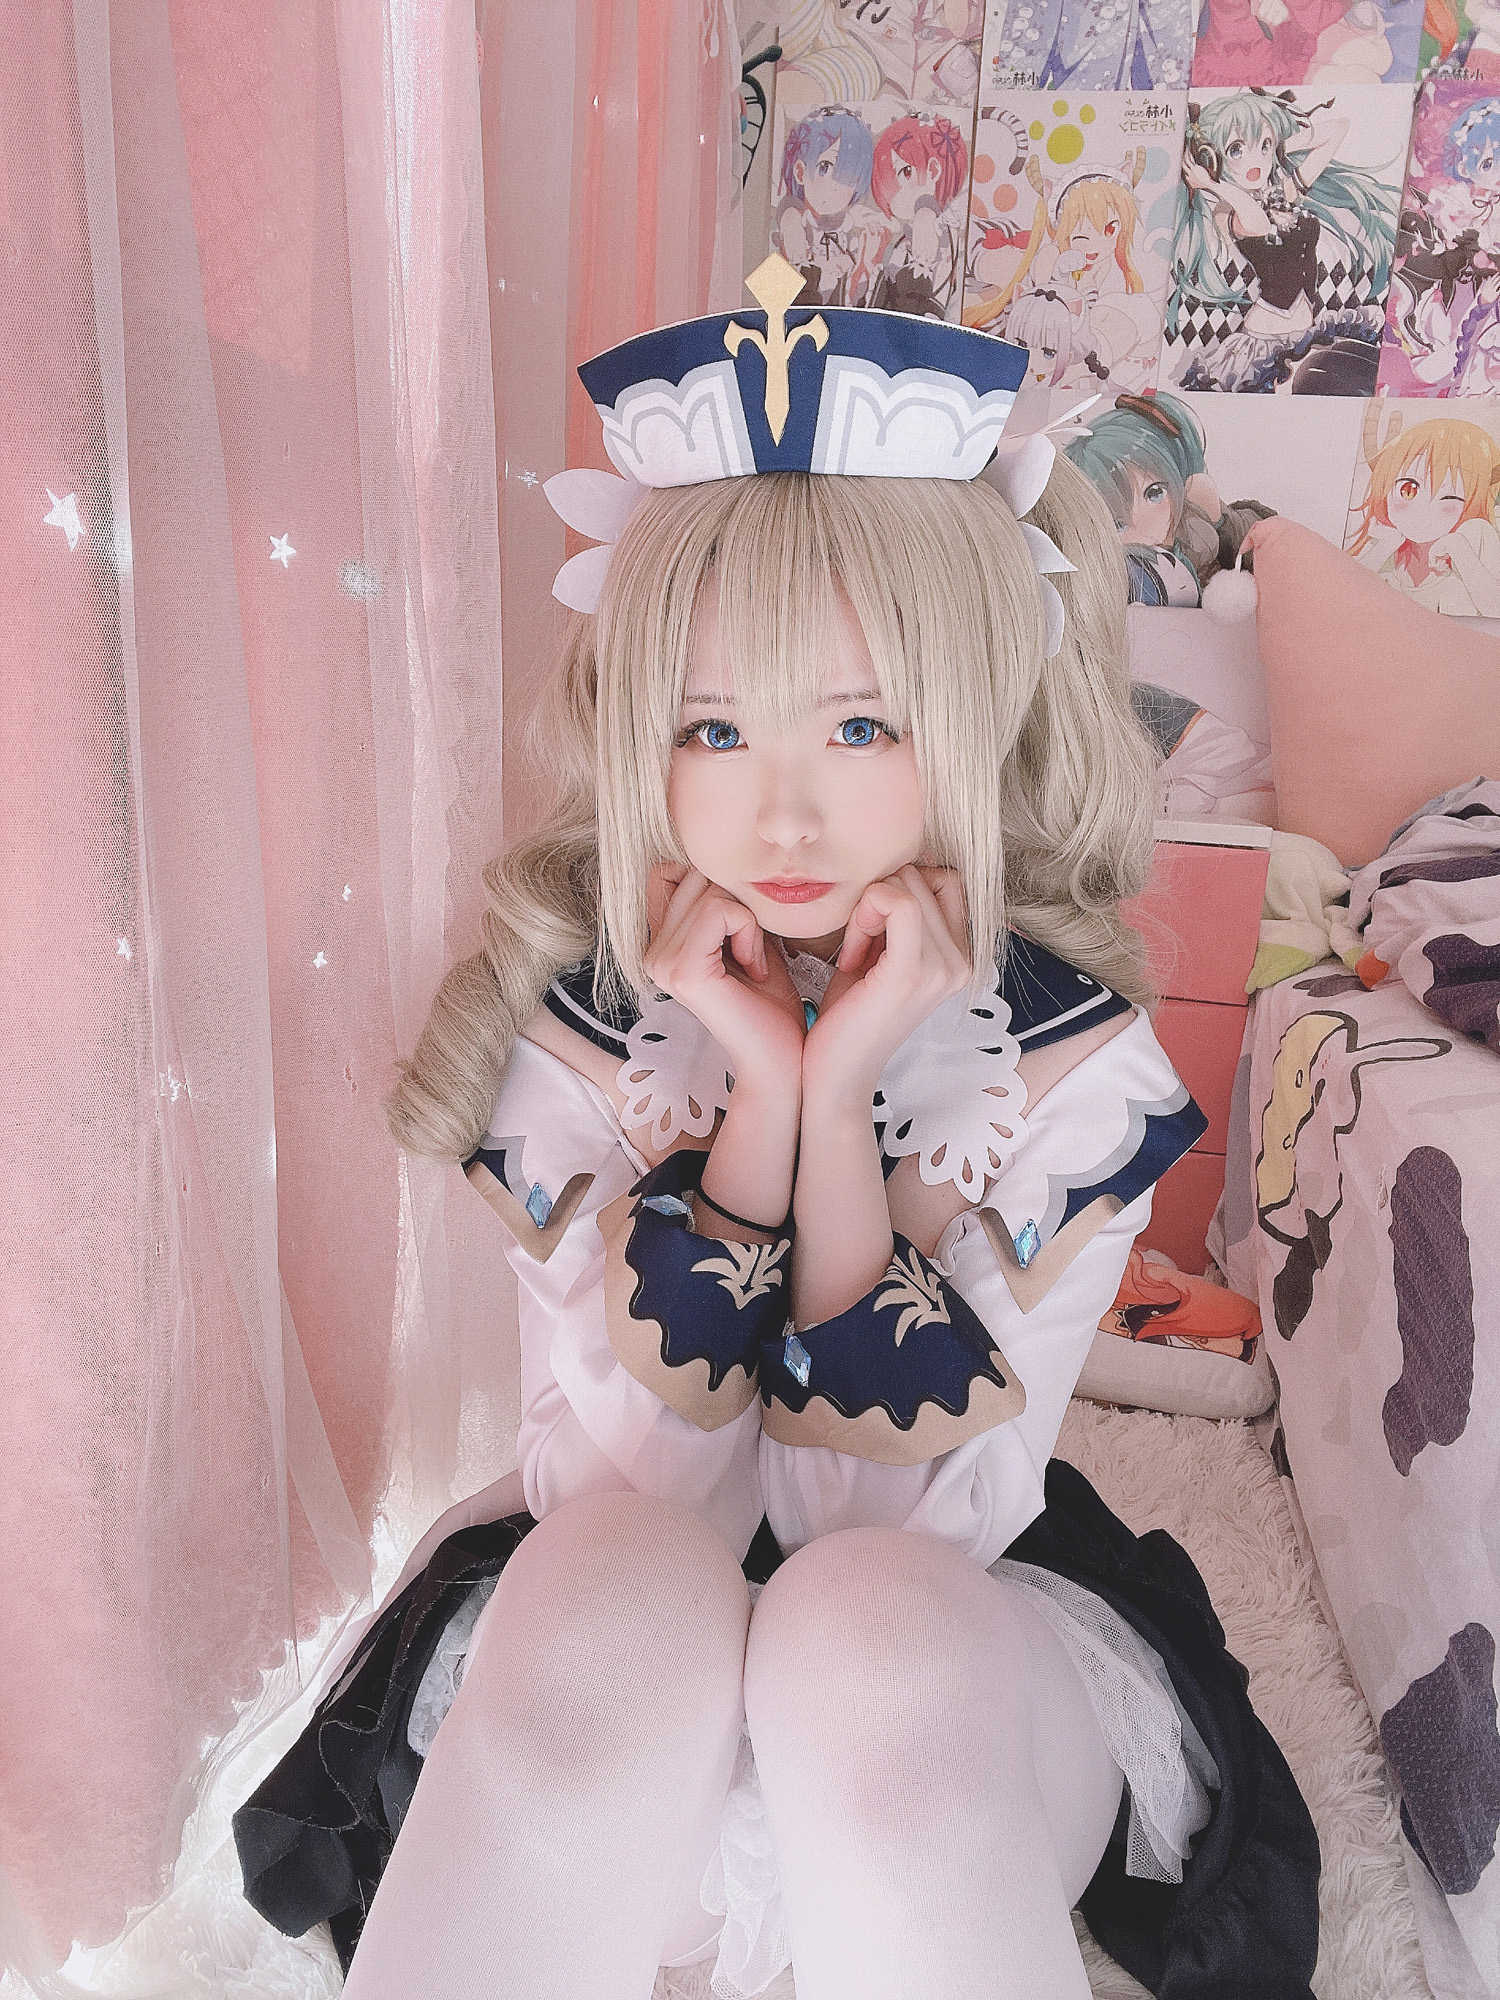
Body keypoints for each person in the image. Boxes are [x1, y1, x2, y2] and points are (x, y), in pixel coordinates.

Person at [233, 254, 1319, 1999]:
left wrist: (835, 1103)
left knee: (864, 1640)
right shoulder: (588, 1027)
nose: (782, 811)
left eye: (863, 723)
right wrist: (759, 1097)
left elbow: (887, 1532)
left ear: (975, 714)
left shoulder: (1066, 1066)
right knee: (612, 1584)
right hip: (615, 1664)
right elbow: (630, 1487)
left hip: (939, 1668)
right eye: (714, 727)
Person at [1167, 88, 1397, 394]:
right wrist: (1212, 183)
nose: (1255, 161)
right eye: (1236, 149)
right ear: (1212, 158)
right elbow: (1258, 222)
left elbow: (1337, 129)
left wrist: (1277, 145)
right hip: (1263, 344)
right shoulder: (1226, 211)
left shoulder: (1281, 195)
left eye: (1262, 146)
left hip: (1305, 335)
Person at [1348, 414, 1500, 614]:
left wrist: (1459, 550)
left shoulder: (1475, 534)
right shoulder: (1384, 537)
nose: (1424, 511)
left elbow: (1495, 610)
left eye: (1449, 497)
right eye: (1408, 490)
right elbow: (1341, 594)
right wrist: (1385, 546)